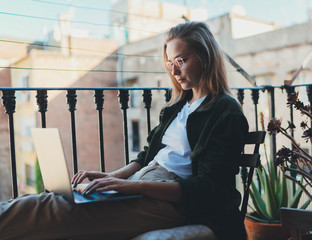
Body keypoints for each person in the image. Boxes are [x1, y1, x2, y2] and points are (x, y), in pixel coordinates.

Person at [0, 21, 248, 240]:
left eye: (181, 61)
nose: (173, 71)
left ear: (205, 56)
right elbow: (145, 158)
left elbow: (209, 190)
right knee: (50, 201)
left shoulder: (225, 111)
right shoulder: (178, 107)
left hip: (172, 203)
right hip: (143, 184)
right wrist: (112, 176)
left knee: (51, 209)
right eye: (170, 63)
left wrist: (130, 187)